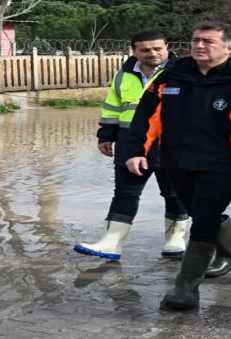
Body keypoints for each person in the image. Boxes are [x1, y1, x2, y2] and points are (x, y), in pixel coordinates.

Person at [121, 21, 231, 311]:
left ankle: (186, 288)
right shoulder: (171, 76)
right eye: (195, 40)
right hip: (176, 160)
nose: (199, 46)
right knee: (198, 210)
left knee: (204, 218)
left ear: (230, 48)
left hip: (222, 163)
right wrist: (135, 151)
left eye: (208, 41)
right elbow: (146, 116)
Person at [73, 30, 189, 260]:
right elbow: (112, 107)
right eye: (145, 50)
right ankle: (111, 243)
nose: (152, 53)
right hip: (130, 143)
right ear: (134, 51)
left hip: (171, 143)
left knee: (174, 193)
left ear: (167, 47)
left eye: (157, 48)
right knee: (125, 192)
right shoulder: (123, 74)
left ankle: (174, 240)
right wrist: (105, 136)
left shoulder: (183, 73)